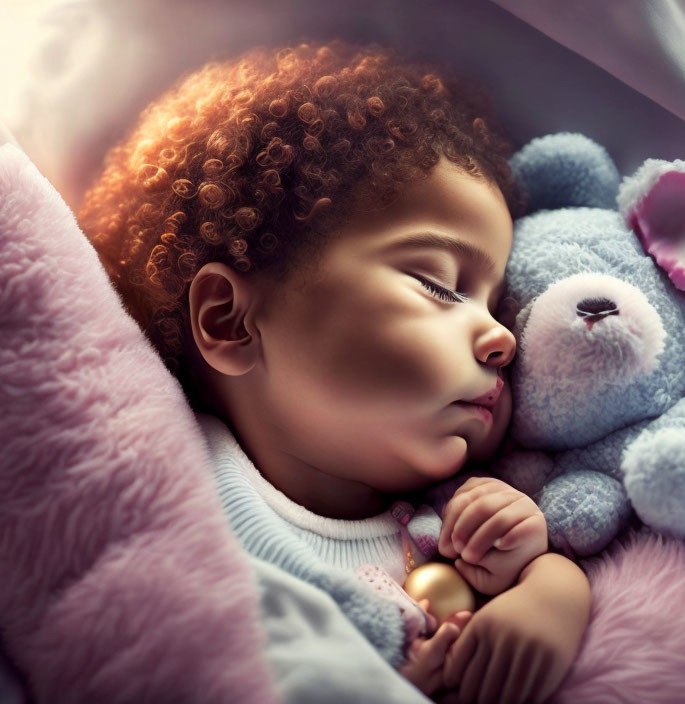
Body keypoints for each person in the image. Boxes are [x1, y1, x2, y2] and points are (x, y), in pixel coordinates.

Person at [79, 41, 591, 703]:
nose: (500, 338)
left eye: (496, 304)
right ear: (230, 321)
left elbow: (551, 577)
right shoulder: (175, 477)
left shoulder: (450, 525)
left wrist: (549, 594)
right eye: (439, 285)